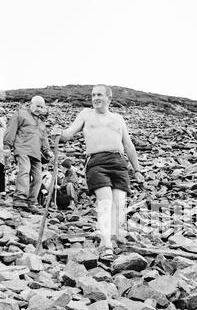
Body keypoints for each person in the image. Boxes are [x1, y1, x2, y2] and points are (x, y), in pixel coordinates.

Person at [51, 84, 143, 260]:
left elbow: (128, 145)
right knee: (105, 202)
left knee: (119, 204)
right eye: (93, 95)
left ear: (109, 98)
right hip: (96, 162)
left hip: (119, 162)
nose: (95, 98)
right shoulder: (86, 114)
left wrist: (137, 170)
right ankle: (107, 244)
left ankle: (113, 236)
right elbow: (69, 133)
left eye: (99, 95)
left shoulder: (118, 119)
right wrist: (60, 133)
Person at [3, 96, 53, 212]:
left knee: (38, 177)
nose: (39, 109)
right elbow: (11, 129)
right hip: (22, 149)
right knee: (24, 170)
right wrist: (7, 146)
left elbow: (44, 140)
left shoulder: (41, 124)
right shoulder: (20, 114)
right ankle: (19, 199)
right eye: (37, 106)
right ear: (31, 104)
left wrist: (48, 151)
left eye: (41, 107)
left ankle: (31, 202)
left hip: (36, 154)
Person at [0, 107, 8, 199]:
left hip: (1, 152)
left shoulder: (3, 129)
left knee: (1, 171)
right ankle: (2, 191)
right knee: (1, 171)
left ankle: (2, 191)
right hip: (2, 152)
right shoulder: (3, 129)